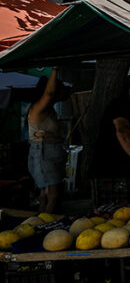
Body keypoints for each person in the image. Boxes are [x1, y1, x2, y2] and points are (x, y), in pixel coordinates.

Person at [27, 68, 70, 213]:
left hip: (51, 152)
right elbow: (49, 93)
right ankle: (47, 223)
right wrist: (55, 69)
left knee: (47, 194)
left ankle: (44, 220)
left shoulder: (50, 109)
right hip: (44, 154)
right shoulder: (38, 108)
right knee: (52, 194)